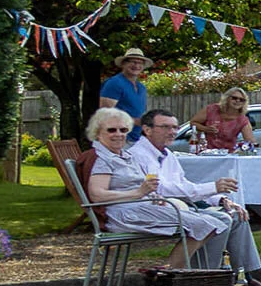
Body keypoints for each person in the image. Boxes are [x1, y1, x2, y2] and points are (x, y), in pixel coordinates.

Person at [128, 109, 261, 286]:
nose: (172, 132)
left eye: (175, 127)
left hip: (180, 206)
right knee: (221, 220)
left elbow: (184, 184)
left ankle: (243, 277)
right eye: (165, 127)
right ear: (147, 129)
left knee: (237, 215)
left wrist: (221, 199)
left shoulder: (167, 154)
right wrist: (212, 187)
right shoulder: (138, 155)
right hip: (158, 208)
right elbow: (162, 189)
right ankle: (208, 279)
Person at [82, 108, 233, 276]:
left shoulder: (123, 155)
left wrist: (154, 196)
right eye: (111, 130)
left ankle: (174, 274)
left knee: (212, 223)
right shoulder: (103, 158)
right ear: (97, 132)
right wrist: (138, 193)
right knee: (204, 224)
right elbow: (97, 195)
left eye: (123, 130)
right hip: (123, 214)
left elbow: (158, 187)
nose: (119, 134)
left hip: (141, 207)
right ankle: (170, 275)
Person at [98, 48, 152, 141]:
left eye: (140, 63)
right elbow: (105, 113)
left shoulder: (141, 88)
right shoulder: (114, 83)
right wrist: (136, 121)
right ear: (123, 64)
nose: (137, 66)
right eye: (133, 62)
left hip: (136, 139)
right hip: (117, 139)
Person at [192, 87, 256, 151]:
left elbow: (250, 141)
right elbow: (193, 123)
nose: (238, 101)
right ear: (227, 98)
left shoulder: (242, 120)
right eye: (234, 98)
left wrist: (251, 147)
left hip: (227, 156)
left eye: (242, 100)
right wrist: (205, 129)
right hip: (205, 153)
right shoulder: (211, 109)